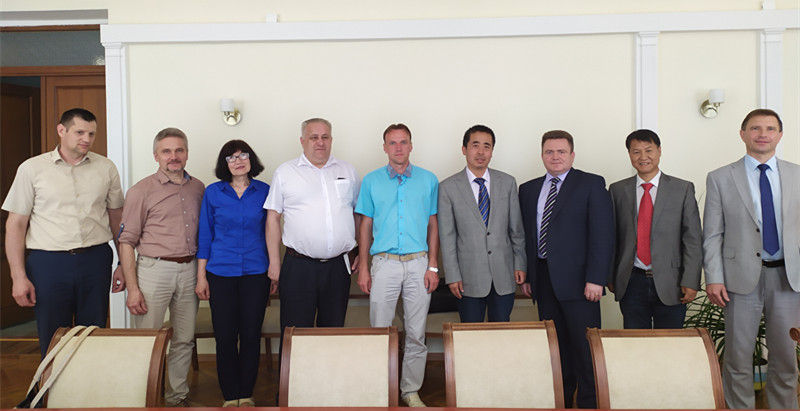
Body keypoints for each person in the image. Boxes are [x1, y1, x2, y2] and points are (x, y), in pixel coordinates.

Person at [2, 108, 125, 357]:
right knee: (53, 335)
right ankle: (52, 383)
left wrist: (124, 264)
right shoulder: (32, 169)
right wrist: (18, 276)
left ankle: (89, 382)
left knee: (93, 332)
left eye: (91, 134)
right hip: (48, 263)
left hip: (96, 259)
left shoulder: (106, 167)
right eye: (80, 132)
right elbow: (15, 225)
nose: (86, 139)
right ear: (61, 130)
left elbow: (117, 219)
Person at [703, 108, 799, 409]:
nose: (762, 134)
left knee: (785, 357)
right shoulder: (720, 177)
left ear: (780, 135)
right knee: (737, 357)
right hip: (739, 280)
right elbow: (713, 234)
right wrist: (714, 278)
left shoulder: (797, 175)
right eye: (755, 128)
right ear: (743, 133)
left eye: (770, 129)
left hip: (788, 278)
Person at [518, 130, 614, 409]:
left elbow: (603, 235)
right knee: (556, 349)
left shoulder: (591, 184)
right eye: (549, 152)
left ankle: (589, 404)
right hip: (543, 280)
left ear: (572, 155)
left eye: (561, 151)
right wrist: (528, 275)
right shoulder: (528, 189)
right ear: (542, 155)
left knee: (585, 350)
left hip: (581, 283)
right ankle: (561, 402)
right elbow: (526, 236)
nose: (555, 157)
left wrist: (596, 279)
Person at [118, 127, 205, 407]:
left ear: (187, 153)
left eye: (179, 150)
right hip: (153, 271)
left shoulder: (199, 188)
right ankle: (143, 399)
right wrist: (133, 289)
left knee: (184, 339)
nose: (173, 156)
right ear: (156, 156)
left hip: (189, 269)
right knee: (148, 339)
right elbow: (126, 241)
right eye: (166, 151)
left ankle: (177, 397)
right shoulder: (140, 191)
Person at [356, 123, 439, 408]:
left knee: (416, 332)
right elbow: (365, 225)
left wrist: (433, 266)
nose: (398, 147)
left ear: (411, 145)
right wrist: (364, 266)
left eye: (403, 142)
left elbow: (433, 224)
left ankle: (410, 391)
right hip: (384, 263)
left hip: (419, 263)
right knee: (380, 330)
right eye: (392, 143)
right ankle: (381, 390)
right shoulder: (371, 181)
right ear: (384, 147)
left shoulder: (428, 180)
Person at [264, 118, 360, 363]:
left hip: (338, 268)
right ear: (302, 141)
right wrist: (274, 262)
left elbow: (357, 214)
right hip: (299, 267)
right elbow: (273, 218)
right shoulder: (286, 172)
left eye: (325, 137)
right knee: (295, 334)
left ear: (331, 140)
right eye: (313, 137)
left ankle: (328, 384)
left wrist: (359, 251)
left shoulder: (347, 171)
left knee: (333, 333)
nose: (320, 142)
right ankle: (291, 387)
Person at [195, 140, 270, 408]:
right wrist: (201, 276)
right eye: (231, 157)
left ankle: (246, 394)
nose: (238, 161)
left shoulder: (265, 191)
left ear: (251, 159)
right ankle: (229, 395)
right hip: (220, 272)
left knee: (250, 335)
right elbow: (205, 235)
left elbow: (272, 233)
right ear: (224, 164)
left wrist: (274, 270)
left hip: (256, 272)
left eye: (243, 155)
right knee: (225, 336)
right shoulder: (213, 193)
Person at [608, 129, 702, 329]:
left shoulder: (682, 189)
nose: (643, 157)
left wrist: (691, 280)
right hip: (631, 281)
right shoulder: (617, 190)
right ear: (629, 155)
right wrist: (610, 276)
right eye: (636, 152)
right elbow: (611, 237)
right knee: (636, 342)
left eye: (649, 150)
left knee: (670, 343)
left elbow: (692, 239)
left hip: (672, 282)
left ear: (659, 151)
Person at [438, 125, 526, 322]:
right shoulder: (447, 188)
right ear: (464, 149)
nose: (481, 152)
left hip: (504, 274)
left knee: (501, 332)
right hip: (467, 278)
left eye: (487, 146)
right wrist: (452, 275)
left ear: (492, 151)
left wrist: (520, 264)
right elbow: (448, 237)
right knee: (470, 334)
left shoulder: (508, 182)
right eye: (475, 145)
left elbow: (516, 231)